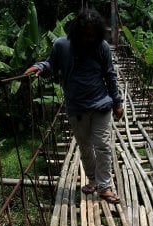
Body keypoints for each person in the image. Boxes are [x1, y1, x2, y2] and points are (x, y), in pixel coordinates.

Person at [24, 8, 124, 204]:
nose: (89, 39)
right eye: (86, 35)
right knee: (85, 147)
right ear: (77, 32)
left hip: (101, 104)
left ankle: (104, 186)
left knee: (102, 146)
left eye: (93, 35)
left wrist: (117, 102)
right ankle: (94, 179)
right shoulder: (62, 45)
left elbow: (110, 75)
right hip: (76, 108)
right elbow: (51, 64)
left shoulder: (101, 46)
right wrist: (41, 67)